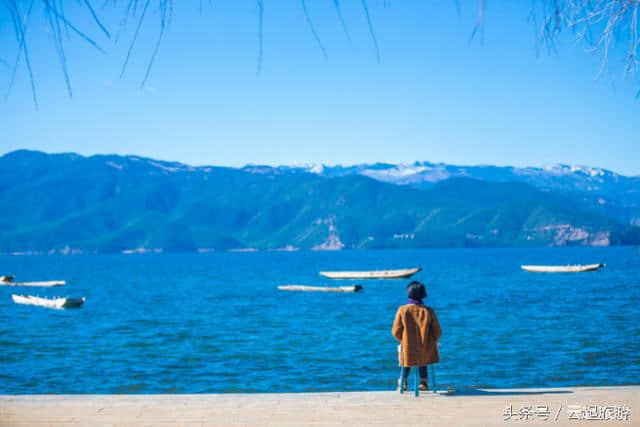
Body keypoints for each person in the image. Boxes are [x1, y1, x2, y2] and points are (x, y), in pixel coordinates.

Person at [391, 280, 442, 391]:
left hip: (408, 348)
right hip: (425, 348)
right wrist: (432, 340)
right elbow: (437, 332)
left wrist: (403, 339)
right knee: (423, 354)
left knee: (407, 356)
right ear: (423, 294)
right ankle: (423, 382)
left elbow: (395, 331)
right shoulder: (429, 311)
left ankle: (403, 381)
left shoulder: (402, 310)